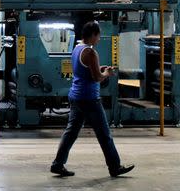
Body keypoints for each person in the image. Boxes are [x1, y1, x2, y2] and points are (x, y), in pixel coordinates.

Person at [50, 21, 134, 178]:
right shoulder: (90, 52)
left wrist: (101, 68)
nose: (99, 39)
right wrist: (107, 74)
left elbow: (86, 70)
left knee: (71, 132)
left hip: (76, 96)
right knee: (104, 134)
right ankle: (115, 167)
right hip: (89, 99)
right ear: (94, 35)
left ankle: (58, 164)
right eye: (99, 36)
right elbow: (96, 77)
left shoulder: (77, 48)